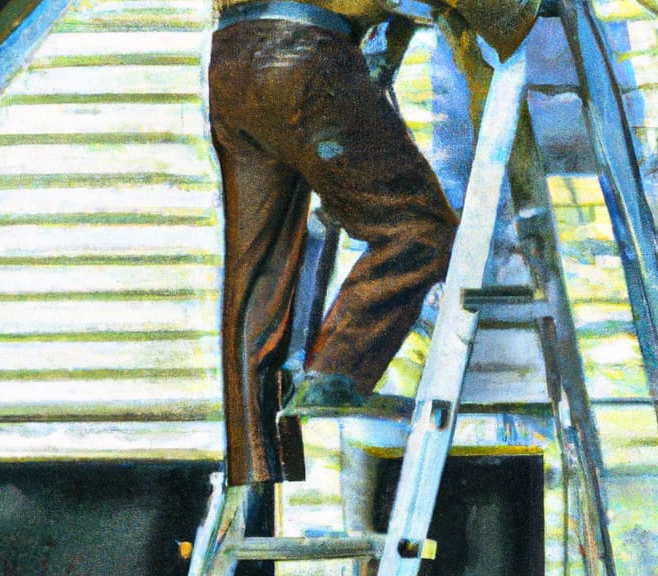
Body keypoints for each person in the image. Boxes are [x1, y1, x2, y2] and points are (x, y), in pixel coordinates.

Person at [207, 0, 540, 573]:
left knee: (255, 276)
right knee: (420, 231)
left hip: (233, 60)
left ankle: (255, 459)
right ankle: (338, 366)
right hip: (309, 61)